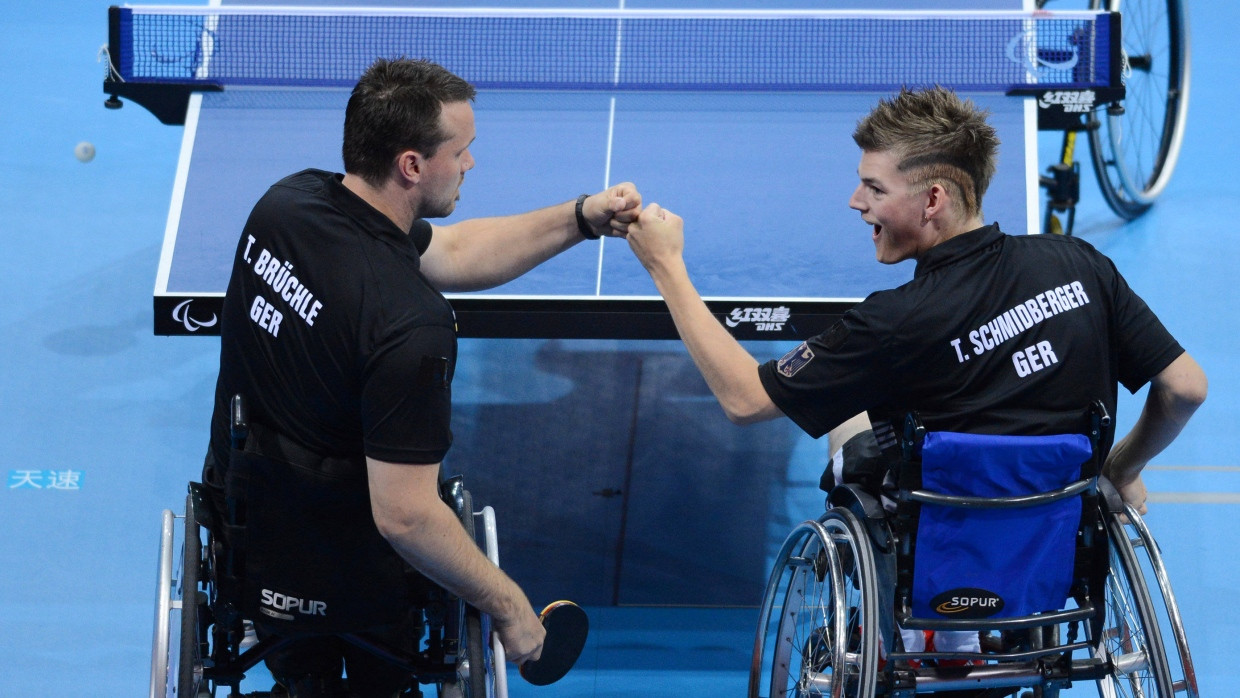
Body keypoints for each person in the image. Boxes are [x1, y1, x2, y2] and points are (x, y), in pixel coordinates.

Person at [623, 87, 1206, 674]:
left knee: (852, 413)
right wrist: (1122, 469)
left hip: (934, 539)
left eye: (875, 188)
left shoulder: (893, 321)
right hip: (1051, 534)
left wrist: (665, 266)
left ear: (933, 199)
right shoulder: (1081, 264)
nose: (855, 202)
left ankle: (938, 637)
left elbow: (744, 399)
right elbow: (1185, 387)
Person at [201, 57, 641, 697]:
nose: (469, 164)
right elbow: (405, 518)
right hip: (362, 579)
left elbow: (455, 250)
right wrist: (513, 609)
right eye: (461, 151)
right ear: (412, 165)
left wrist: (580, 217)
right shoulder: (410, 325)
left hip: (251, 536)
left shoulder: (286, 205)